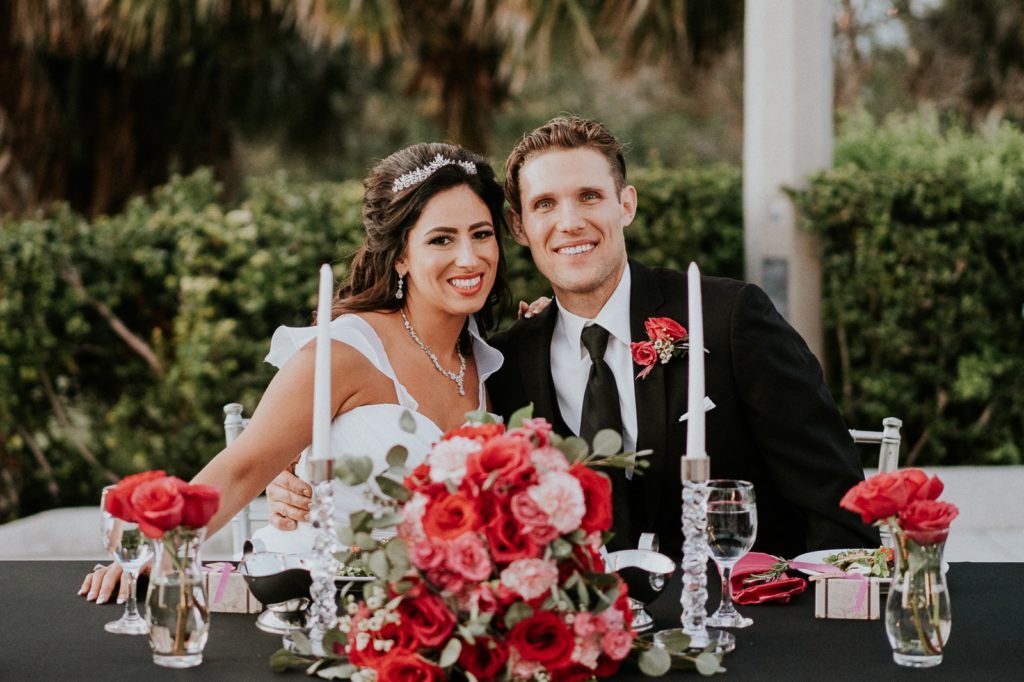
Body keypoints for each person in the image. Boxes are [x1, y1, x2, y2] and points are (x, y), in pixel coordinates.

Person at [266, 116, 878, 560]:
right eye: (546, 205)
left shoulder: (728, 319)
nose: (570, 222)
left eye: (589, 196)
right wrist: (294, 476)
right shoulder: (503, 365)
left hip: (749, 627)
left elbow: (837, 505)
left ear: (626, 204)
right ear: (519, 226)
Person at [79, 141, 511, 604]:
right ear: (400, 255)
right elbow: (241, 468)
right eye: (441, 239)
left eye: (481, 234)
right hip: (310, 601)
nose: (469, 257)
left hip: (436, 615)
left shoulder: (487, 362)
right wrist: (154, 552)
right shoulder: (345, 351)